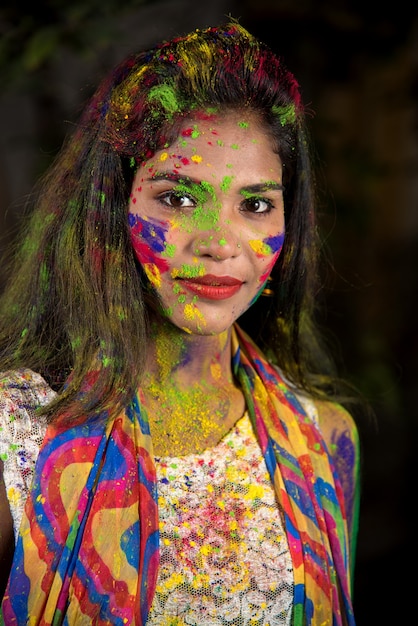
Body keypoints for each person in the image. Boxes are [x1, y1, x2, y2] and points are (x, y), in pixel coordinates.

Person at [0, 19, 360, 626]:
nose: (221, 244)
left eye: (255, 204)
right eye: (179, 197)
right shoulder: (16, 432)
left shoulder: (324, 440)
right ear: (114, 203)